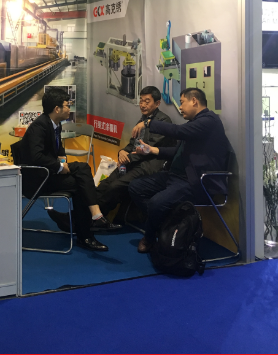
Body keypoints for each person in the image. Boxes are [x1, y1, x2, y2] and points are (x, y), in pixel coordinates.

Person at [128, 87, 232, 254]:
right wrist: (151, 150)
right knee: (136, 187)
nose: (180, 107)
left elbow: (178, 131)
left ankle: (149, 238)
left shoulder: (209, 121)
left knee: (156, 203)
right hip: (176, 177)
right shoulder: (196, 123)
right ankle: (167, 224)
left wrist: (148, 123)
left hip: (194, 182)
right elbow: (177, 151)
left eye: (182, 102)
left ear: (194, 101)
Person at [19, 88, 117, 252]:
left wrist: (63, 163)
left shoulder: (55, 124)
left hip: (49, 174)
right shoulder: (39, 126)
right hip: (37, 179)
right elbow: (36, 156)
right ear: (57, 109)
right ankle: (88, 230)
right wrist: (59, 167)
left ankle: (92, 221)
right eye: (67, 105)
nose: (69, 109)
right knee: (81, 184)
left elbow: (59, 151)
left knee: (83, 170)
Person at [96, 86, 175, 219]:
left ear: (157, 103)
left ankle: (97, 218)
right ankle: (87, 214)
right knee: (105, 184)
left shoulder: (163, 121)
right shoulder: (142, 119)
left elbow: (148, 148)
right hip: (134, 160)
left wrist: (127, 158)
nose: (142, 105)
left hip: (149, 164)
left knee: (115, 186)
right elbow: (133, 144)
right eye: (141, 101)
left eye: (147, 101)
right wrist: (122, 152)